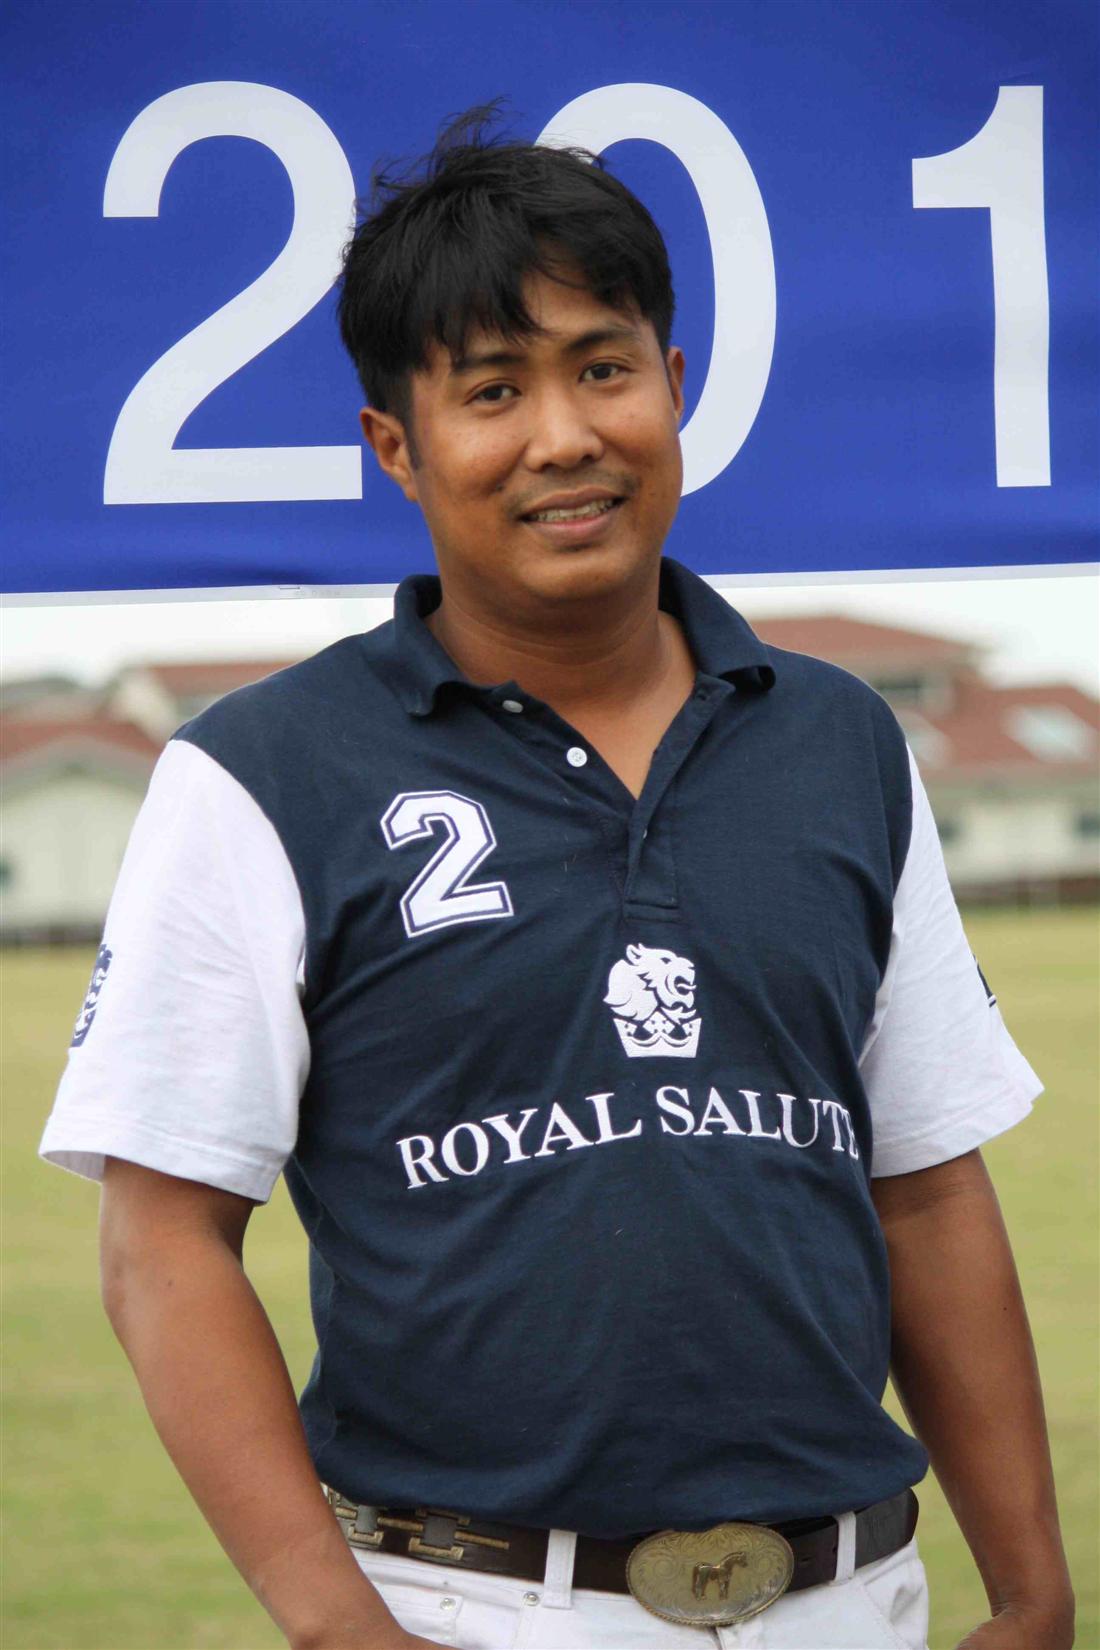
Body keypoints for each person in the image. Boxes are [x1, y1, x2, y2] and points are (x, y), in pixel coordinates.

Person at [40, 108, 1074, 1650]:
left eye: (603, 367)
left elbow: (924, 1190)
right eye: (491, 390)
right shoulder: (258, 770)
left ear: (676, 382)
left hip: (853, 1597)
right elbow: (162, 1243)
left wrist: (1037, 1591)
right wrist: (343, 1629)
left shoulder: (843, 739)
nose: (564, 436)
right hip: (471, 1601)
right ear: (396, 444)